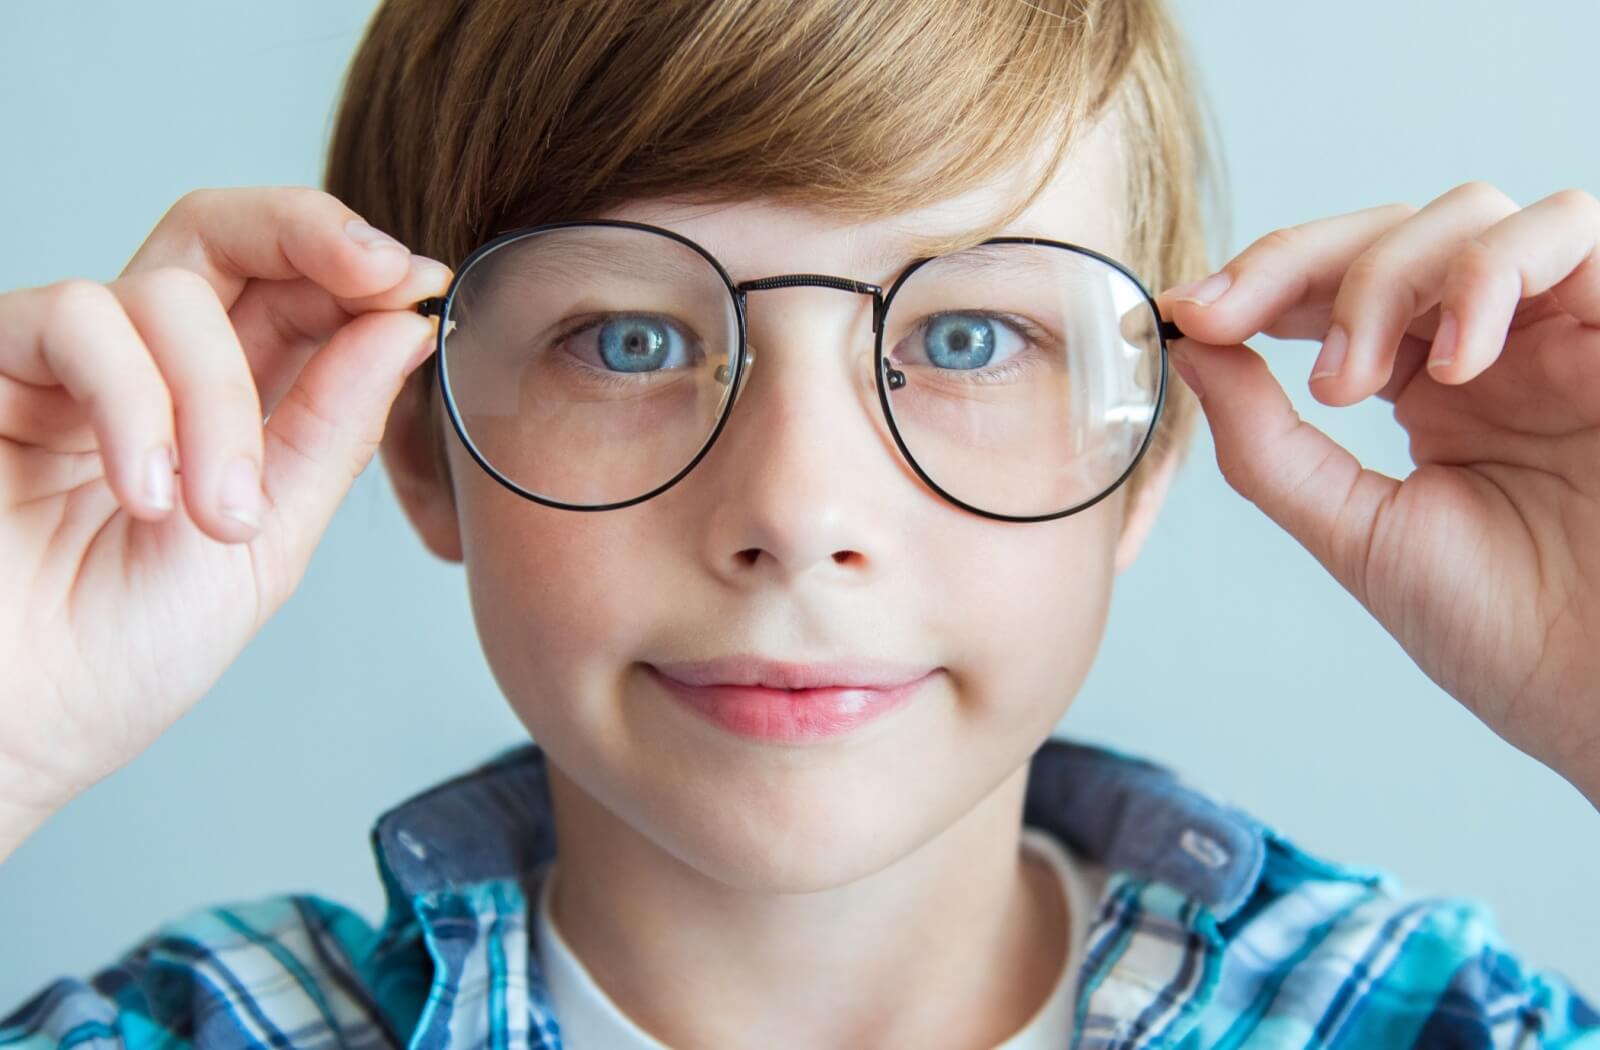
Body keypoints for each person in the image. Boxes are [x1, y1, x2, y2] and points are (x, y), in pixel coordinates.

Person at [1, 0, 1597, 1046]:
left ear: (1149, 451)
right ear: (417, 444)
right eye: (626, 338)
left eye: (971, 339)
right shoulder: (209, 1025)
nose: (797, 510)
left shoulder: (1434, 1019)